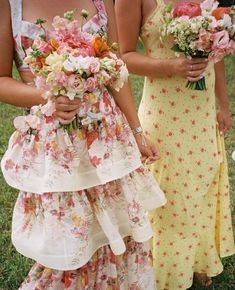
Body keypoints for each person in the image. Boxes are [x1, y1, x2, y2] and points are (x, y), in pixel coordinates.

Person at [0, 0, 166, 289]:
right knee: (69, 243)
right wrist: (47, 97)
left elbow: (117, 71)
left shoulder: (101, 1)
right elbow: (1, 79)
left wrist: (136, 130)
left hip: (107, 143)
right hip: (56, 149)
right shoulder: (9, 4)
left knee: (119, 235)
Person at [115, 0, 235, 289]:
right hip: (164, 114)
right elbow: (124, 57)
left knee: (201, 185)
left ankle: (195, 258)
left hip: (201, 112)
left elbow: (215, 57)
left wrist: (223, 105)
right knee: (168, 196)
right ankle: (163, 268)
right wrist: (171, 66)